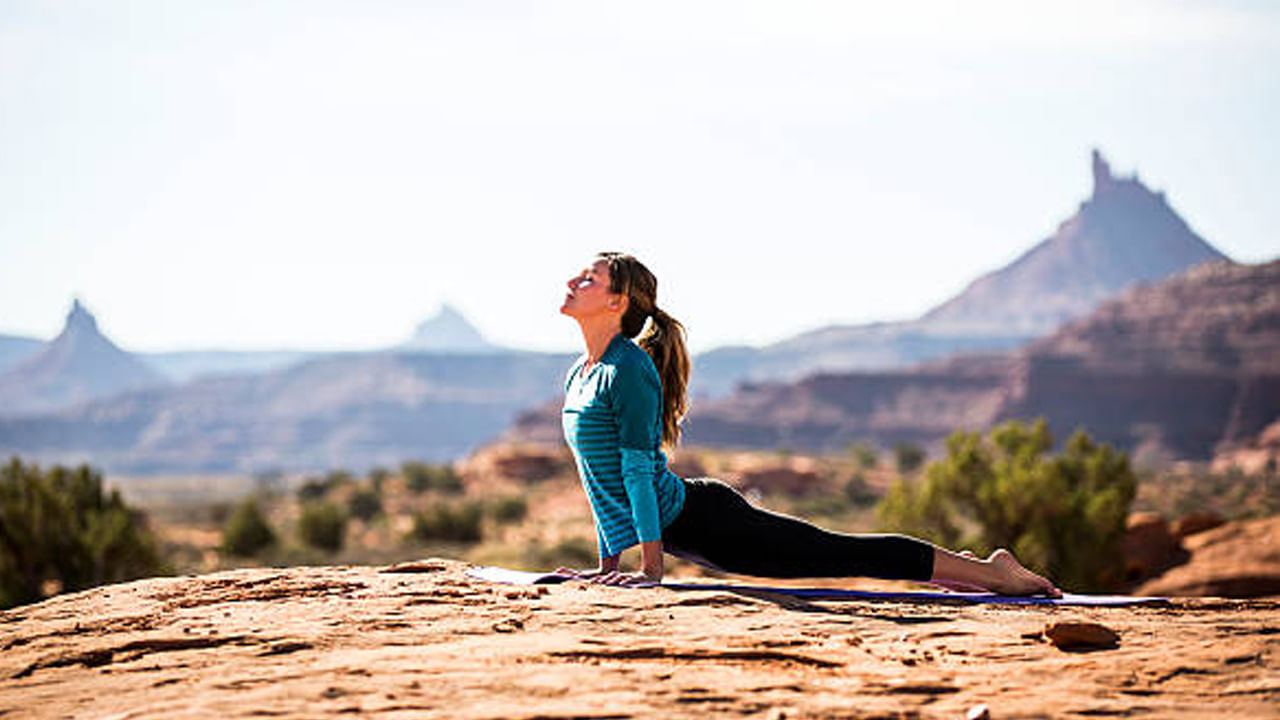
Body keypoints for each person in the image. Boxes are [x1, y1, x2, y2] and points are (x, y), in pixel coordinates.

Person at [555, 252, 1061, 597]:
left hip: (709, 524)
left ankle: (991, 572)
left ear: (617, 303)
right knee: (836, 551)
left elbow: (638, 474)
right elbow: (599, 483)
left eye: (588, 280)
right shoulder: (582, 374)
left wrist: (650, 571)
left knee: (838, 553)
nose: (573, 283)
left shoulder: (629, 370)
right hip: (686, 533)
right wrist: (606, 568)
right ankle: (963, 566)